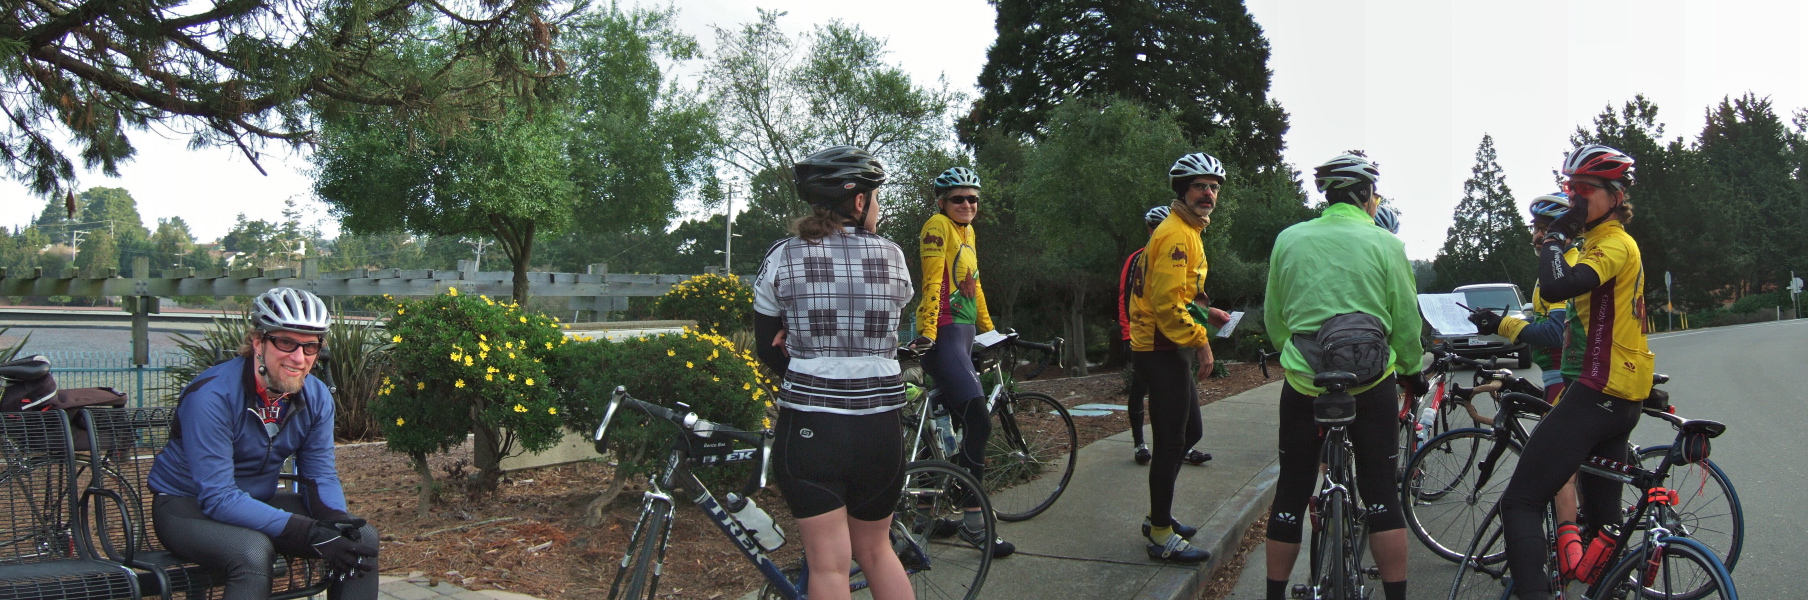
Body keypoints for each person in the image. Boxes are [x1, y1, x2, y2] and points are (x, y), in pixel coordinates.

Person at [1479, 144, 1653, 600]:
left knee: (1520, 502)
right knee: (1603, 525)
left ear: (1616, 196)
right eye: (1569, 187)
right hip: (1617, 395)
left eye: (1584, 189)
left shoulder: (1613, 244)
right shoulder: (1599, 243)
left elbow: (1558, 285)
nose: (1575, 197)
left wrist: (1555, 237)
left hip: (1599, 390)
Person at [752, 145, 915, 600]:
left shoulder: (782, 255)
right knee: (879, 552)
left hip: (812, 427)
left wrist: (795, 346)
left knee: (828, 567)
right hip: (880, 428)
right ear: (860, 201)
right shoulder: (893, 256)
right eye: (876, 199)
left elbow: (768, 347)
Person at [1262, 153, 1425, 600]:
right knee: (1381, 497)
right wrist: (1411, 369)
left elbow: (1276, 319)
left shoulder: (1289, 239)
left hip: (1305, 382)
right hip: (1371, 384)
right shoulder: (1386, 244)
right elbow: (1405, 321)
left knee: (1291, 492)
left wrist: (1293, 356)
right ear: (1365, 196)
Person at [148, 287, 378, 600]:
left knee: (359, 536)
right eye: (286, 342)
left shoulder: (317, 396)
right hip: (188, 507)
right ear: (258, 342)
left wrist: (336, 522)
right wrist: (308, 531)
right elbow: (217, 497)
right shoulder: (212, 397)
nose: (298, 358)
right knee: (253, 552)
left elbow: (319, 476)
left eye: (309, 347)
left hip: (257, 501)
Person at [1470, 192, 1585, 564]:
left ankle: (1567, 560)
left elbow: (1555, 333)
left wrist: (1504, 324)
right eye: (1534, 227)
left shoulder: (1564, 266)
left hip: (1567, 377)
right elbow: (1545, 323)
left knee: (1558, 474)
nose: (1537, 235)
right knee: (1571, 467)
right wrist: (1512, 323)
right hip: (1558, 374)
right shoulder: (1555, 267)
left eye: (1544, 228)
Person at [1128, 152, 1232, 563]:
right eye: (1200, 186)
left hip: (1170, 344)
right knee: (1172, 440)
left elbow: (1183, 295)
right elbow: (1167, 304)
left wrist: (1208, 314)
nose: (1208, 194)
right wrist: (1201, 338)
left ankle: (1160, 515)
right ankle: (1159, 534)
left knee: (1189, 434)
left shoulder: (1189, 229)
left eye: (1214, 187)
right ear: (1182, 191)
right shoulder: (1175, 233)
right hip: (1161, 347)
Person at [910, 166, 1014, 558]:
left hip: (964, 333)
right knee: (978, 421)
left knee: (941, 425)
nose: (967, 204)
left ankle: (924, 518)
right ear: (941, 202)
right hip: (944, 333)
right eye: (958, 198)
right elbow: (932, 278)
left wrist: (989, 331)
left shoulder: (968, 232)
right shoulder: (937, 225)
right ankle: (974, 522)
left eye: (973, 199)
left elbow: (975, 286)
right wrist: (928, 333)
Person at [1118, 206, 1214, 467]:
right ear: (1151, 229)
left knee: (1179, 431)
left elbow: (1184, 296)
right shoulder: (1141, 257)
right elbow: (1130, 298)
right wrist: (1127, 334)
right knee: (1139, 392)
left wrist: (1209, 314)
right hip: (1147, 340)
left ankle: (1177, 451)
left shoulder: (1184, 239)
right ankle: (1140, 441)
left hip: (1176, 339)